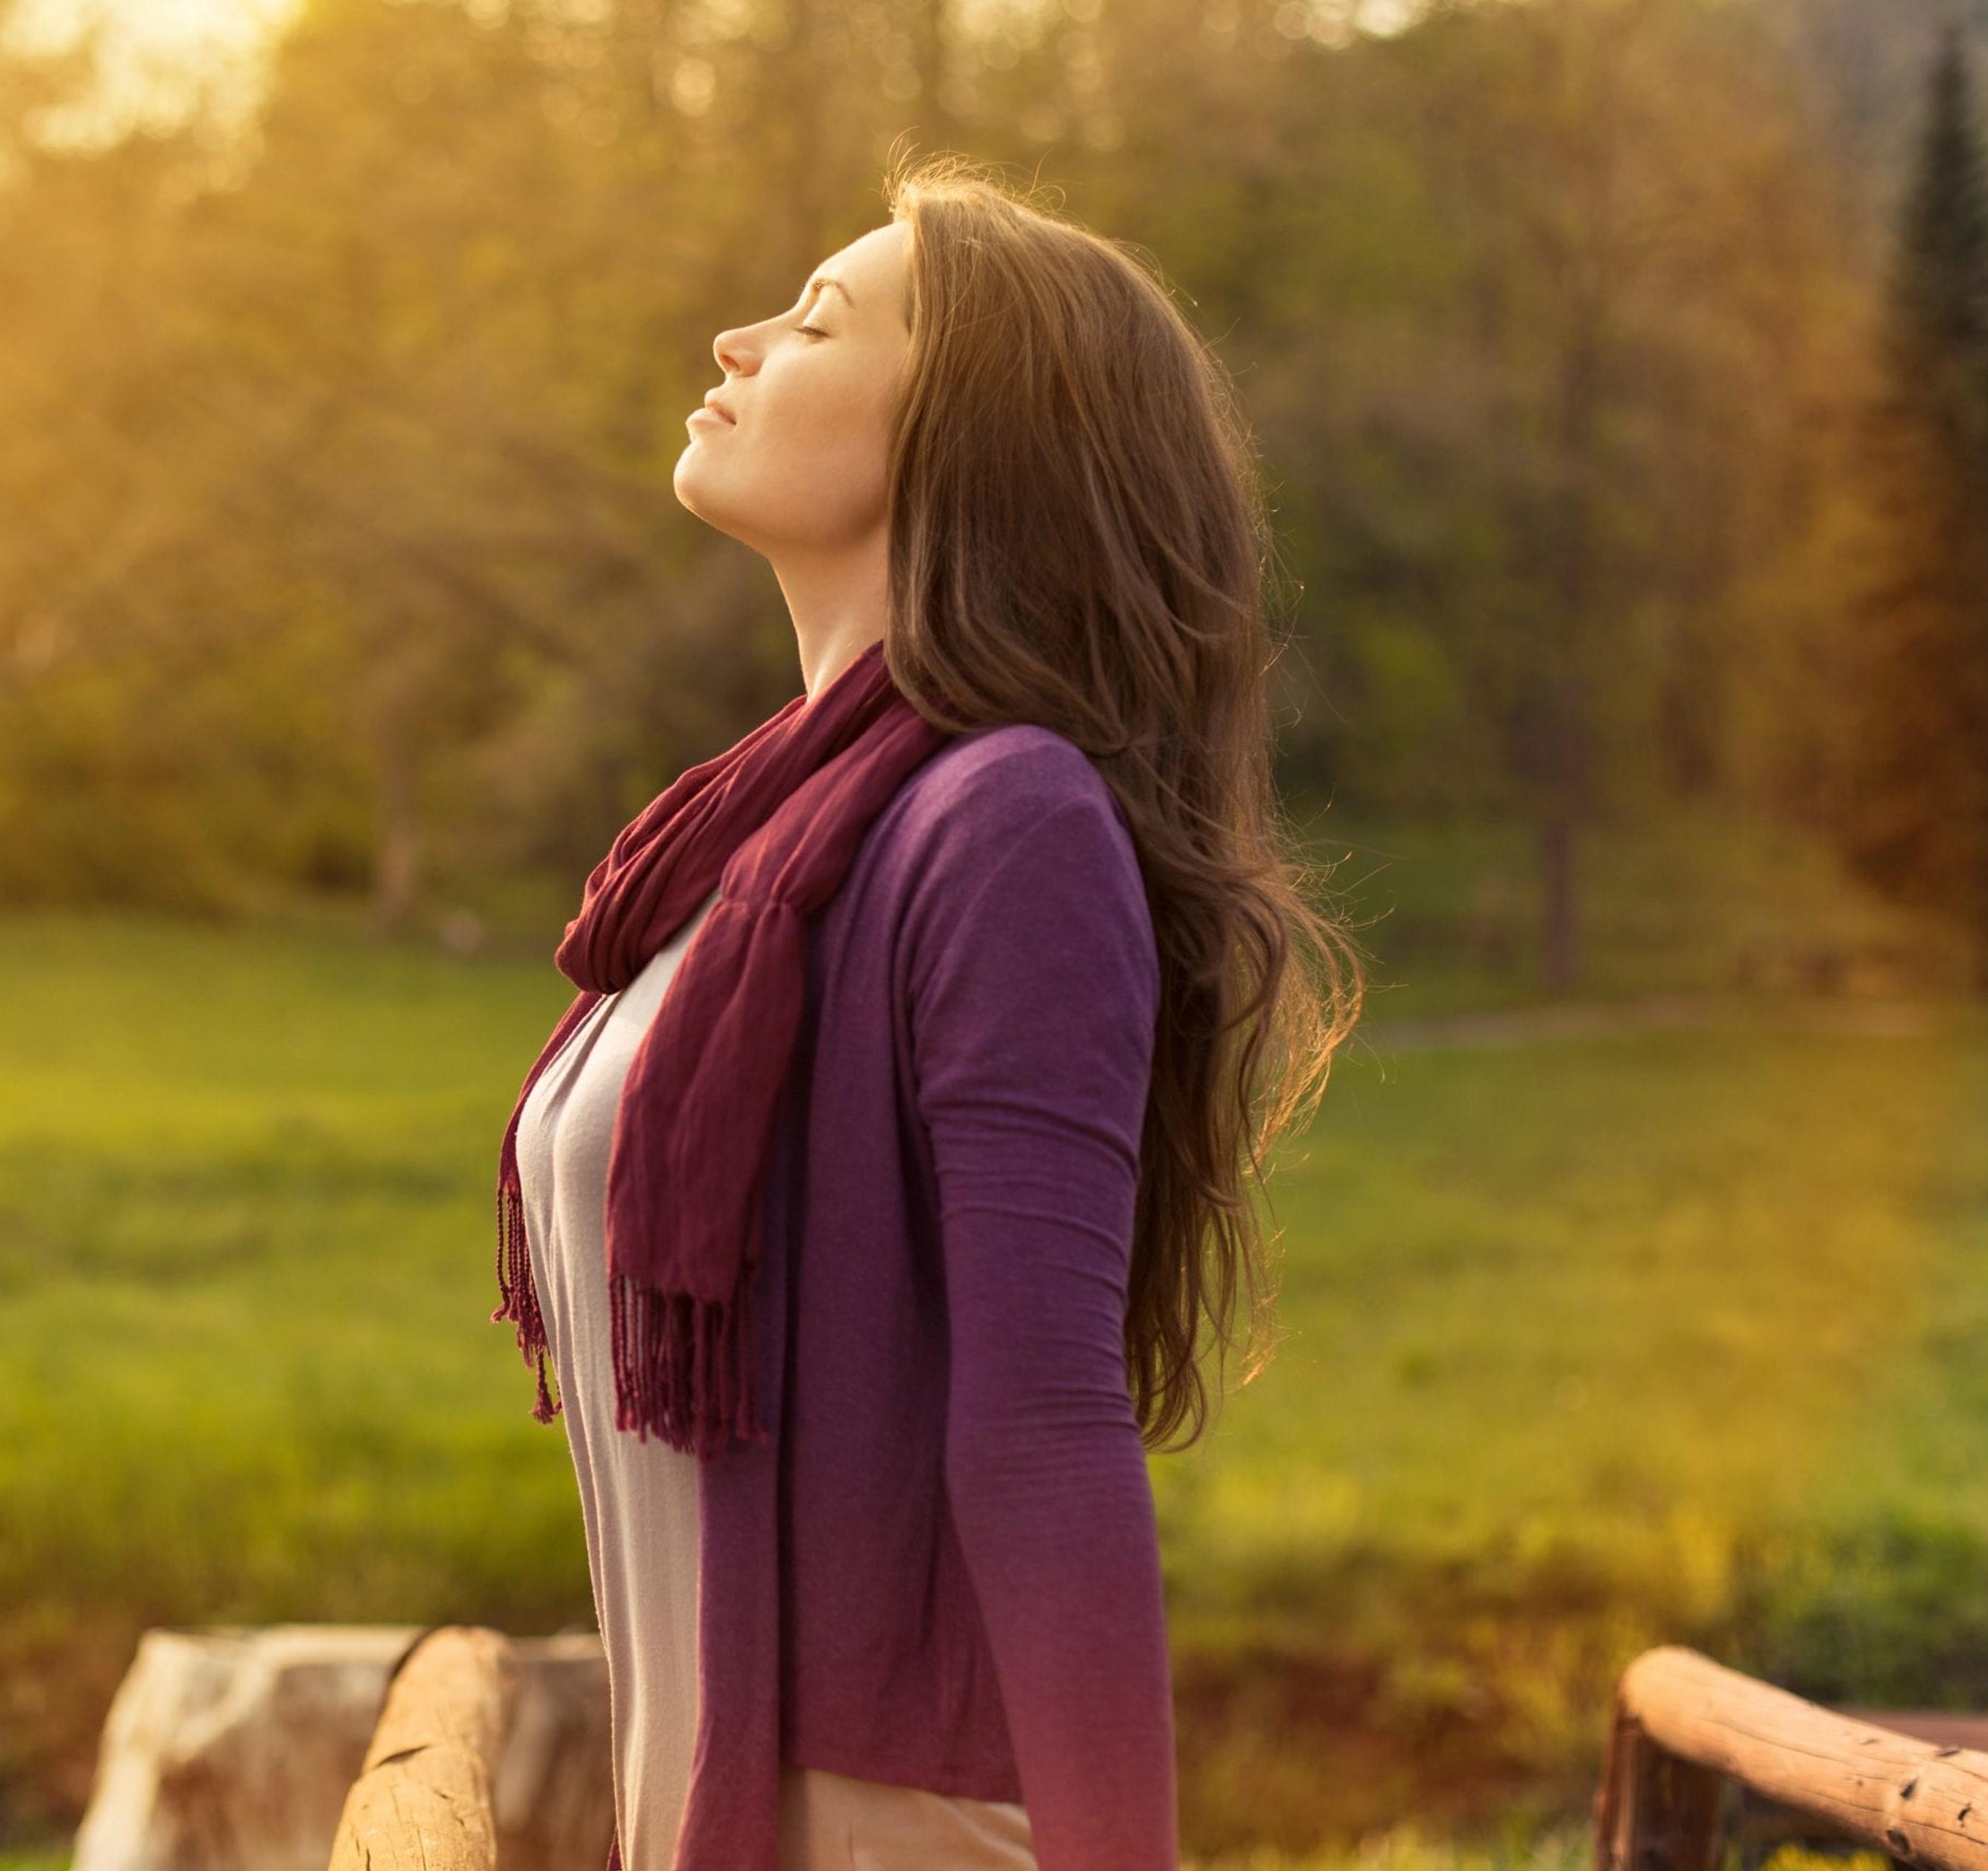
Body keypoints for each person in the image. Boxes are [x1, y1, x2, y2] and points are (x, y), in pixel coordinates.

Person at [493, 153, 1366, 1871]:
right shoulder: (750, 840)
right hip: (712, 1795)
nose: (737, 340)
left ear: (964, 437)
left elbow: (1043, 1423)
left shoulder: (1007, 823)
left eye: (816, 322)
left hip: (881, 1824)